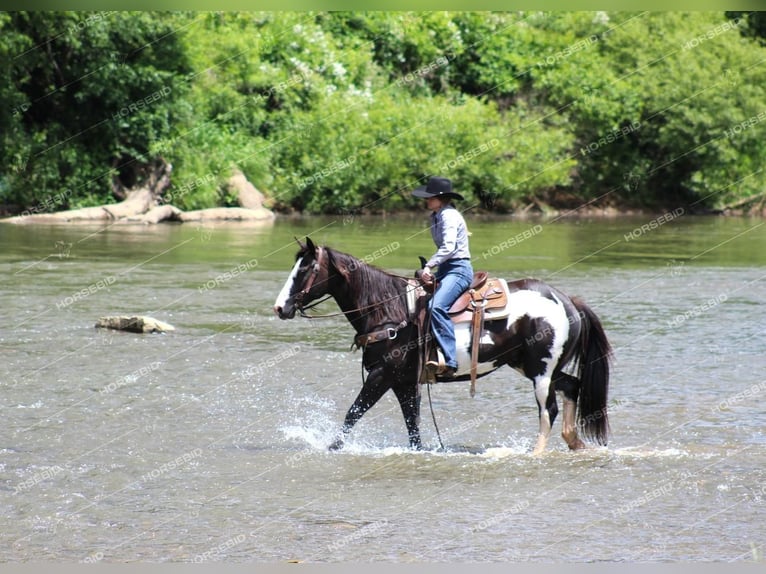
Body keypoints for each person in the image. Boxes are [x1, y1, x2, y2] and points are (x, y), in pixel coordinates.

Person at [412, 176, 473, 379]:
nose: (427, 201)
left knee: (436, 306)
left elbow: (449, 247)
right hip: (447, 268)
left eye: (430, 197)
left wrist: (429, 265)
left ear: (441, 198)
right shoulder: (437, 216)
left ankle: (450, 360)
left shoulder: (449, 216)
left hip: (459, 270)